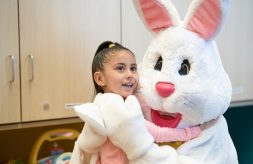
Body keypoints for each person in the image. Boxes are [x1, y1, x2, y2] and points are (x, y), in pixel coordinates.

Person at [70, 41, 201, 164]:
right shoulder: (114, 109)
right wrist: (189, 133)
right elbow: (156, 133)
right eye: (120, 68)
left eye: (133, 68)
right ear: (100, 78)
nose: (130, 74)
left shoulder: (124, 104)